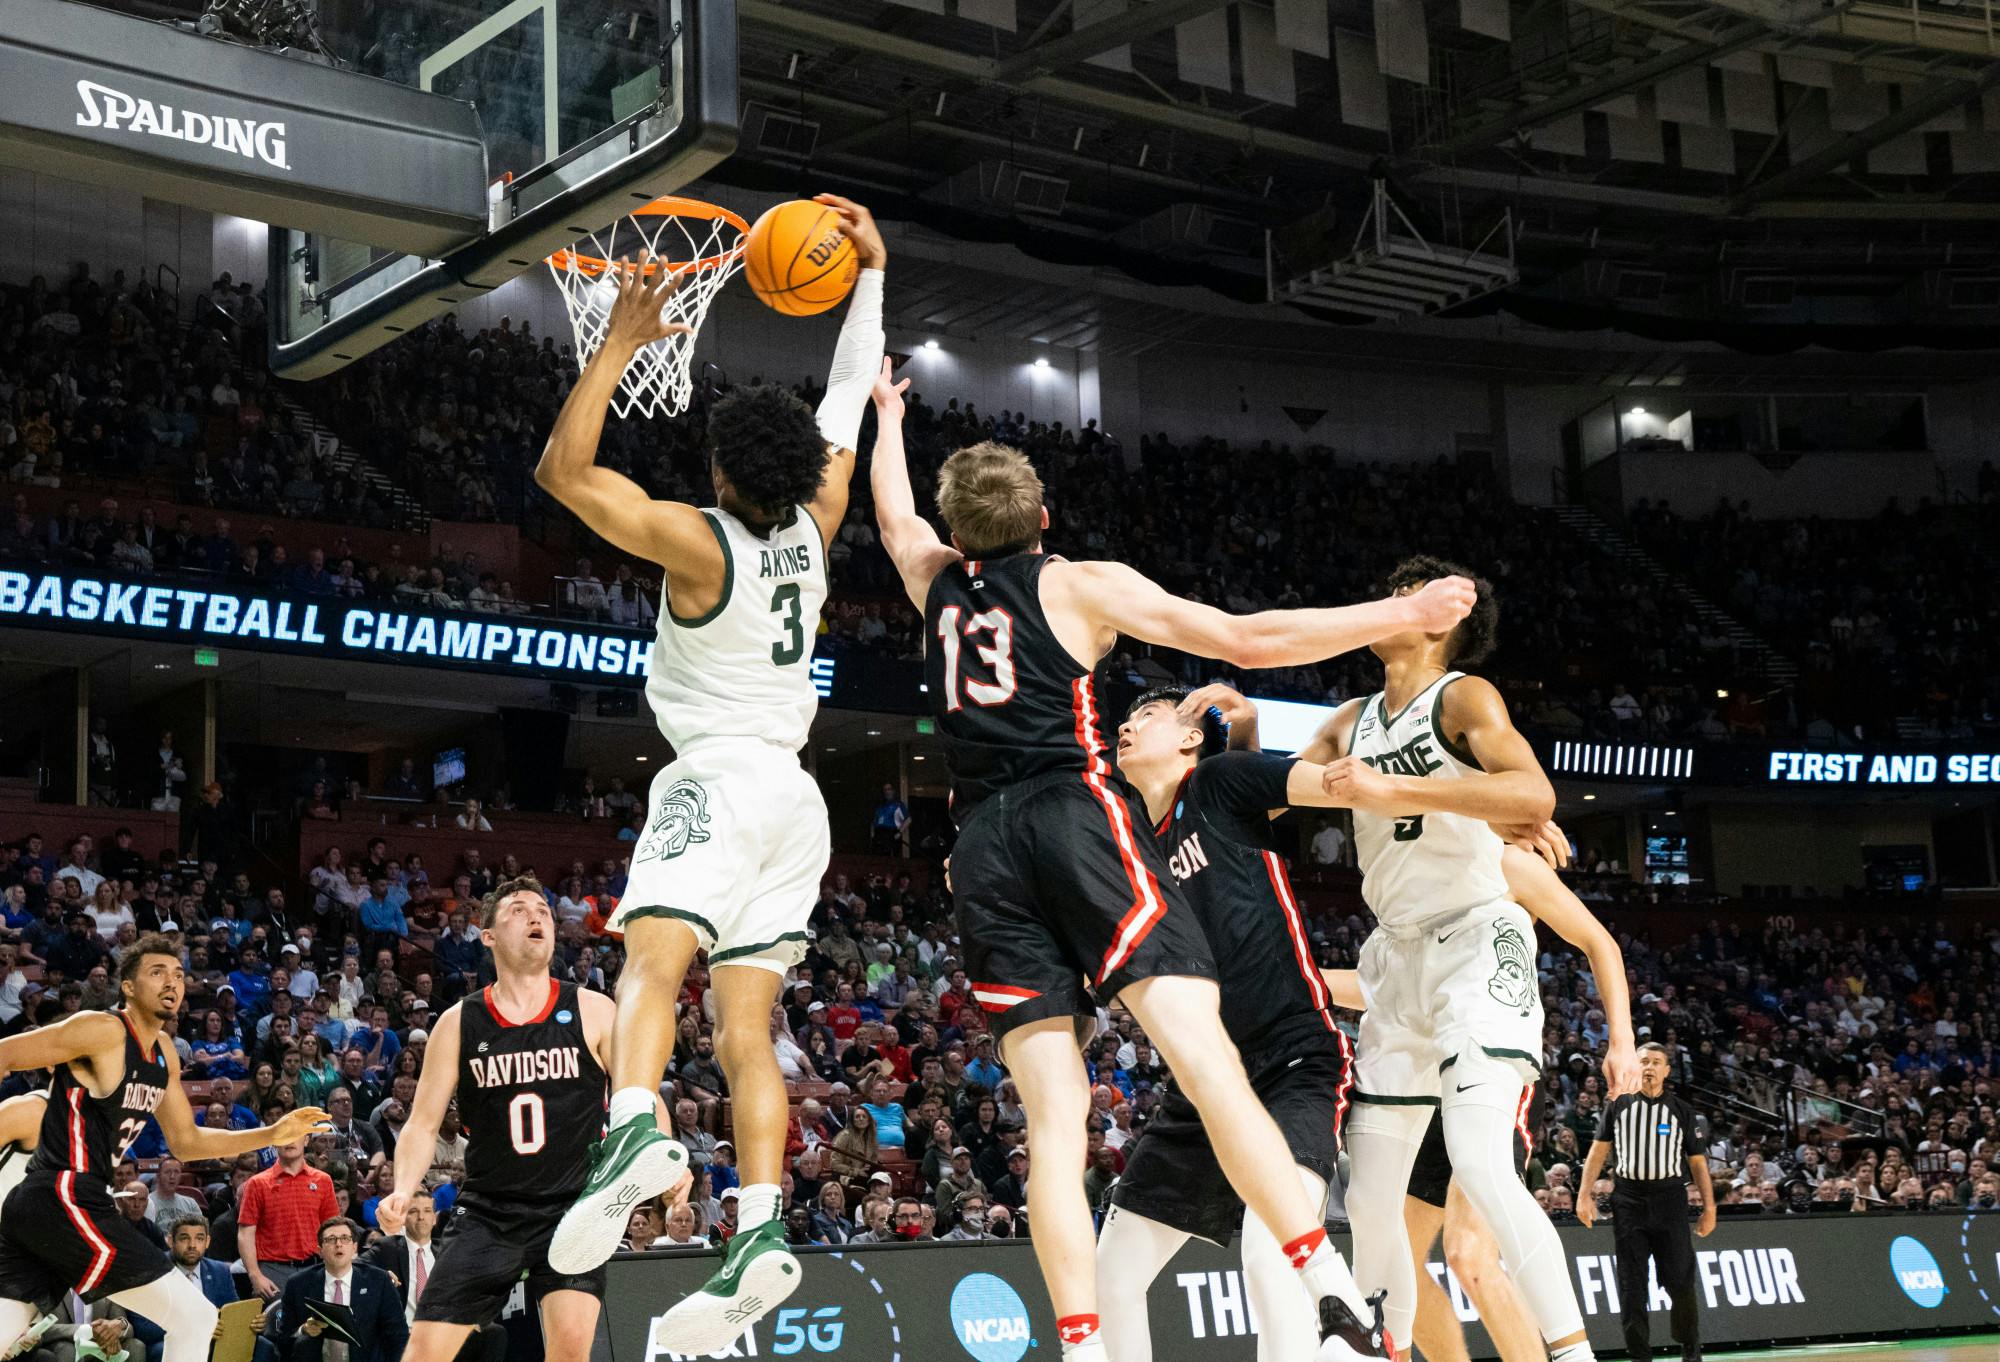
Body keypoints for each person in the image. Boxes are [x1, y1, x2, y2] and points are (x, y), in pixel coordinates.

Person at [868, 368, 1474, 1362]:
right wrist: (1397, 614)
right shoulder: (1074, 582)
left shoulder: (929, 577)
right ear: (1043, 518)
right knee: (1197, 1051)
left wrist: (887, 419)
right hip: (1068, 809)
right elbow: (1246, 637)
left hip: (977, 846)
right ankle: (1323, 1279)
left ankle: (1080, 1344)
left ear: (958, 528)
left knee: (1054, 1126)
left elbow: (892, 516)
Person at [535, 195, 886, 1356]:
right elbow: (843, 404)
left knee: (649, 959)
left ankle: (633, 1128)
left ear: (726, 469)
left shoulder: (700, 539)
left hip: (719, 781)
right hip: (798, 803)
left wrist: (621, 343)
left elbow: (563, 473)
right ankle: (759, 1227)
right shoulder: (817, 521)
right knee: (747, 1028)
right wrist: (868, 276)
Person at [1295, 555, 1597, 1362]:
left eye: (1401, 598)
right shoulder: (1351, 715)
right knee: (1369, 1197)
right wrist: (1227, 732)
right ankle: (1378, 1350)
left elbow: (1534, 797)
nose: (1385, 608)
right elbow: (1281, 782)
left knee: (1479, 1161)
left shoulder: (1462, 696)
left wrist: (1402, 791)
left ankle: (1573, 1356)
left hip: (1475, 936)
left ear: (1441, 620)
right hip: (1395, 954)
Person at [1097, 686, 1381, 1362]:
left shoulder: (1220, 783)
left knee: (1270, 1252)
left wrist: (1478, 816)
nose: (1126, 728)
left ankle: (1355, 1334)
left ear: (1192, 737)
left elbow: (1341, 784)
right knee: (1110, 1273)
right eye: (1126, 720)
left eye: (1148, 718)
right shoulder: (1127, 841)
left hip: (1292, 1061)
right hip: (1204, 1084)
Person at [0, 936, 326, 1362]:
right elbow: (5, 1054)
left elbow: (188, 1143)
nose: (171, 982)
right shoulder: (101, 1029)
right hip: (64, 1194)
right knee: (194, 1318)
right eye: (157, 973)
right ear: (129, 987)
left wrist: (272, 1133)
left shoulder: (164, 1055)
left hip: (44, 1205)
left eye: (177, 974)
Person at [376, 877, 641, 1362]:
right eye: (518, 910)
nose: (536, 916)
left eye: (542, 909)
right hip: (488, 1211)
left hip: (574, 1208)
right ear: (488, 935)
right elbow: (421, 1123)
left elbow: (637, 1097)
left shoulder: (594, 1009)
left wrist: (667, 1156)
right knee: (423, 1355)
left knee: (569, 1354)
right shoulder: (458, 1021)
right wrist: (401, 1187)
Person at [1578, 1044, 1713, 1362]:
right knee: (1631, 1285)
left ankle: (1690, 1347)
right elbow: (1598, 1151)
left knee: (1680, 1280)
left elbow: (1697, 1162)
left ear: (1667, 1070)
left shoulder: (1681, 1110)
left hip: (1670, 1201)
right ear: (1635, 1067)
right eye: (1644, 1061)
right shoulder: (1618, 1104)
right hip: (1629, 1201)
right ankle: (1640, 1357)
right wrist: (1583, 1195)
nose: (1650, 1067)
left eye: (1656, 1062)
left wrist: (1710, 1208)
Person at [365, 1191, 506, 1362]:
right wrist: (380, 1275)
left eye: (427, 1211)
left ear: (434, 1218)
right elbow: (356, 1268)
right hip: (405, 1333)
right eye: (413, 1211)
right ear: (403, 1218)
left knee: (493, 1332)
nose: (421, 1217)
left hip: (444, 1332)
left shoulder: (448, 1252)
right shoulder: (387, 1247)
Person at [272, 1216, 406, 1362]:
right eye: (331, 1239)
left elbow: (398, 1337)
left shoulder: (378, 1281)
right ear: (320, 1251)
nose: (338, 1244)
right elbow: (283, 1341)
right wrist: (302, 1331)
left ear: (354, 1247)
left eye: (345, 1238)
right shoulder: (298, 1284)